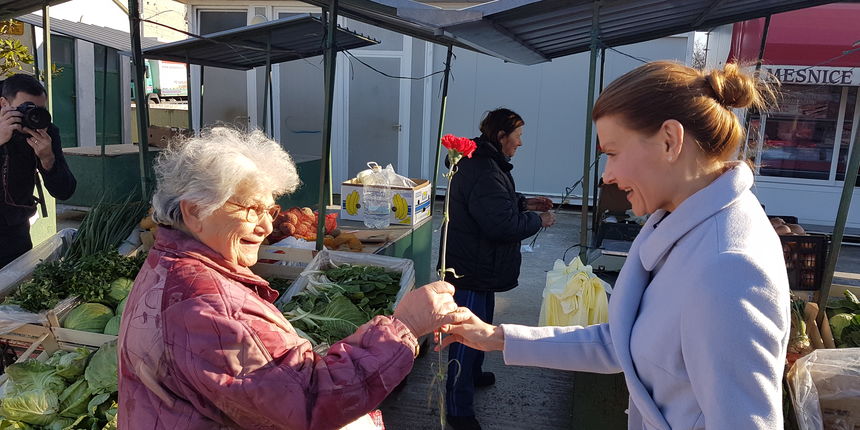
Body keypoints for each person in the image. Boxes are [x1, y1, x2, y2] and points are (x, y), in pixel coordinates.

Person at [440, 62, 790, 429]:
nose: (607, 174)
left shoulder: (729, 268)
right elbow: (621, 341)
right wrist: (496, 338)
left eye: (613, 152)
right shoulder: (674, 220)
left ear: (670, 140)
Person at [118, 127, 467, 429]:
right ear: (195, 211)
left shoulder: (166, 263)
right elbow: (309, 400)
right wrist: (404, 326)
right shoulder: (209, 307)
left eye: (269, 210)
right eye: (250, 209)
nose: (267, 225)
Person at [441, 108, 555, 430]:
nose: (520, 143)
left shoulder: (487, 162)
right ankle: (458, 409)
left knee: (482, 325)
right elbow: (500, 224)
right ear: (501, 136)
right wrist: (538, 220)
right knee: (465, 335)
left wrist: (526, 203)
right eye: (517, 136)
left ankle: (474, 374)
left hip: (481, 266)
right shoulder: (484, 168)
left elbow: (496, 202)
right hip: (471, 269)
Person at [0, 74, 76, 267]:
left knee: (14, 292)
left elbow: (65, 191)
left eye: (38, 110)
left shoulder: (46, 131)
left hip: (15, 233)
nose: (31, 115)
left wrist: (47, 159)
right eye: (25, 108)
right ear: (4, 104)